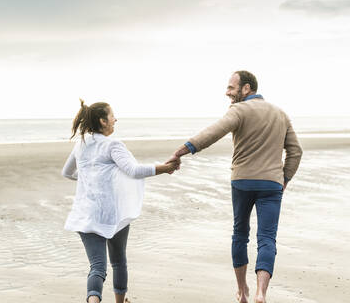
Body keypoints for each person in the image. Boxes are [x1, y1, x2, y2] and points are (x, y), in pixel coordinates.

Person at [169, 70, 302, 303]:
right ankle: (261, 293)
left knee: (240, 234)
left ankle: (242, 292)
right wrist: (285, 179)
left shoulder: (239, 110)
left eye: (231, 87)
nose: (227, 92)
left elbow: (213, 133)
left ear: (246, 88)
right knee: (267, 238)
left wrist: (182, 150)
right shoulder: (281, 114)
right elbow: (296, 151)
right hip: (271, 184)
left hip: (242, 181)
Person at [62, 100, 179, 303]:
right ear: (103, 121)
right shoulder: (112, 144)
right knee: (118, 262)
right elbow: (133, 170)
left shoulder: (81, 144)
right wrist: (165, 168)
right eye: (112, 115)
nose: (115, 119)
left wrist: (92, 181)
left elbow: (67, 172)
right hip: (112, 214)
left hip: (85, 214)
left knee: (97, 267)